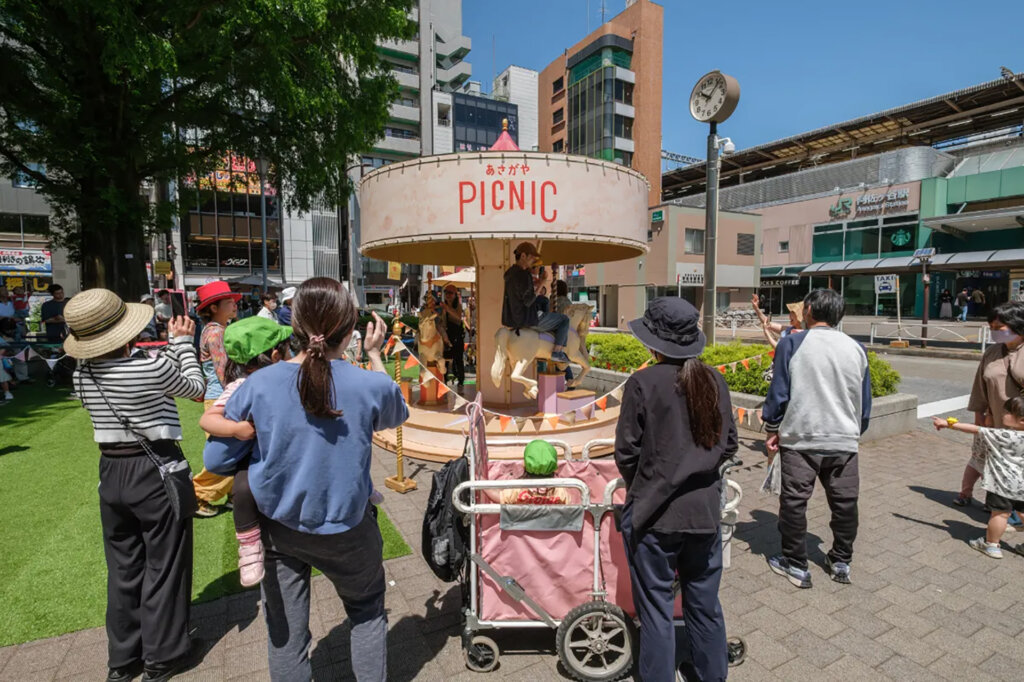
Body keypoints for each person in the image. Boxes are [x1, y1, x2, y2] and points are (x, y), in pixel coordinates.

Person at [203, 278, 406, 681]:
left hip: (280, 529)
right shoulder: (370, 384)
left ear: (292, 326)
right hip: (349, 528)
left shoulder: (258, 383)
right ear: (349, 331)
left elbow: (216, 458)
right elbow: (396, 415)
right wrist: (374, 356)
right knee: (367, 613)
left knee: (286, 635)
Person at [65, 289, 204, 682]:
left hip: (111, 469)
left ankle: (123, 660)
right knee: (165, 562)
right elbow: (194, 388)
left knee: (124, 567)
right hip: (154, 465)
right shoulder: (151, 366)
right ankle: (163, 656)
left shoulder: (81, 373)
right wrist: (181, 343)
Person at [615, 297, 734, 682]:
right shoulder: (714, 379)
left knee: (656, 611)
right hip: (704, 514)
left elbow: (626, 453)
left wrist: (645, 486)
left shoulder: (643, 383)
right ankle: (710, 675)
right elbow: (729, 445)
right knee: (704, 606)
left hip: (655, 516)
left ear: (653, 342)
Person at [763, 288, 871, 589]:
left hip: (801, 438)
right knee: (845, 503)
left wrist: (772, 428)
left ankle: (796, 565)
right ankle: (840, 560)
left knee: (794, 503)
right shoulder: (856, 348)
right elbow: (864, 400)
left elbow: (779, 392)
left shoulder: (793, 343)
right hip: (844, 441)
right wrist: (853, 431)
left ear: (808, 310)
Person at [199, 317, 294, 586]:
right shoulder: (239, 386)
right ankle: (250, 550)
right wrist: (237, 429)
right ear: (276, 355)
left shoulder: (283, 380)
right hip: (251, 455)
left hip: (274, 454)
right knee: (242, 489)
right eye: (288, 349)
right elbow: (207, 420)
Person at [933, 396, 1024, 559]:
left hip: (1002, 485)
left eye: (1009, 412)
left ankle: (992, 545)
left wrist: (947, 423)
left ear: (1022, 420)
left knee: (1000, 515)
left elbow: (975, 429)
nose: (1004, 413)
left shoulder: (1003, 435)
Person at [962, 303, 1024, 507]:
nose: (994, 332)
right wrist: (979, 416)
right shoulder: (992, 352)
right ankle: (1000, 509)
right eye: (991, 327)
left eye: (999, 328)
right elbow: (980, 387)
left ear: (1018, 326)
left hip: (1021, 428)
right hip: (995, 422)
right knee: (996, 465)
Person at [193, 280, 241, 517]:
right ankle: (199, 495)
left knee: (230, 449)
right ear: (213, 307)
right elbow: (224, 371)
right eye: (229, 302)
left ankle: (232, 494)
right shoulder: (216, 332)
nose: (234, 305)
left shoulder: (215, 329)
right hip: (221, 398)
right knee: (226, 452)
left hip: (218, 396)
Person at [502, 242, 571, 364]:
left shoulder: (510, 273)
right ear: (523, 256)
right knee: (564, 320)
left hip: (513, 319)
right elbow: (528, 301)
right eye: (532, 257)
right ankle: (557, 352)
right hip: (528, 318)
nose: (534, 261)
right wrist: (543, 282)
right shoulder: (524, 275)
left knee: (543, 302)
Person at [484, 440, 570, 505]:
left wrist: (481, 482)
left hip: (520, 528)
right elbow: (568, 506)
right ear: (554, 467)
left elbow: (499, 497)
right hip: (550, 527)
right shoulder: (559, 491)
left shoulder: (518, 489)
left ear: (525, 465)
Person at [442, 284, 466, 389]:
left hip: (456, 335)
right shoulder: (443, 304)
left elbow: (458, 317)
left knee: (458, 359)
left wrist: (447, 308)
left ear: (455, 295)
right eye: (446, 292)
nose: (448, 295)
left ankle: (460, 380)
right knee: (445, 360)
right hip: (446, 334)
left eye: (450, 293)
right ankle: (444, 380)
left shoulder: (458, 305)